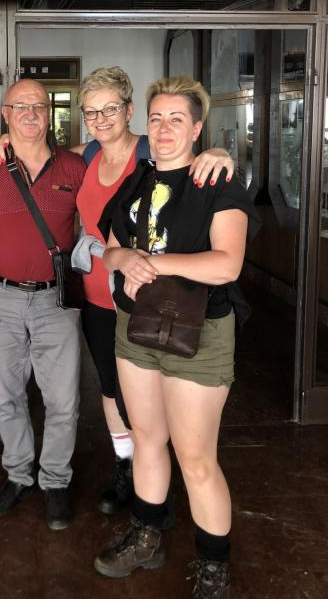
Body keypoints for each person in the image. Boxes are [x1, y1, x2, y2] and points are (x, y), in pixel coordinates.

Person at [0, 67, 233, 516]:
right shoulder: (86, 156)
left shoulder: (151, 151)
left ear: (129, 110)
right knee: (111, 387)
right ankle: (127, 467)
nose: (100, 119)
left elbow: (191, 162)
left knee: (156, 401)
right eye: (91, 111)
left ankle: (159, 478)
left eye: (110, 109)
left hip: (153, 300)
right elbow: (37, 150)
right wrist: (7, 139)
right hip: (97, 297)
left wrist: (218, 152)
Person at [93, 76, 259, 598]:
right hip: (135, 327)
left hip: (199, 331)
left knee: (196, 457)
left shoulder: (218, 182)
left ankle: (213, 565)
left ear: (197, 128)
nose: (164, 129)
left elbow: (227, 264)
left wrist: (152, 264)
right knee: (146, 438)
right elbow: (110, 249)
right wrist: (124, 258)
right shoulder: (136, 180)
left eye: (177, 119)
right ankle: (147, 535)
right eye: (157, 119)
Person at [0, 79, 86, 530]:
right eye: (21, 106)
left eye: (39, 105)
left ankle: (55, 480)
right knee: (8, 397)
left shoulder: (74, 166)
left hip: (57, 299)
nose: (31, 113)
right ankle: (18, 475)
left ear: (49, 112)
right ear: (5, 113)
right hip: (0, 297)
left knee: (63, 400)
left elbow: (121, 155)